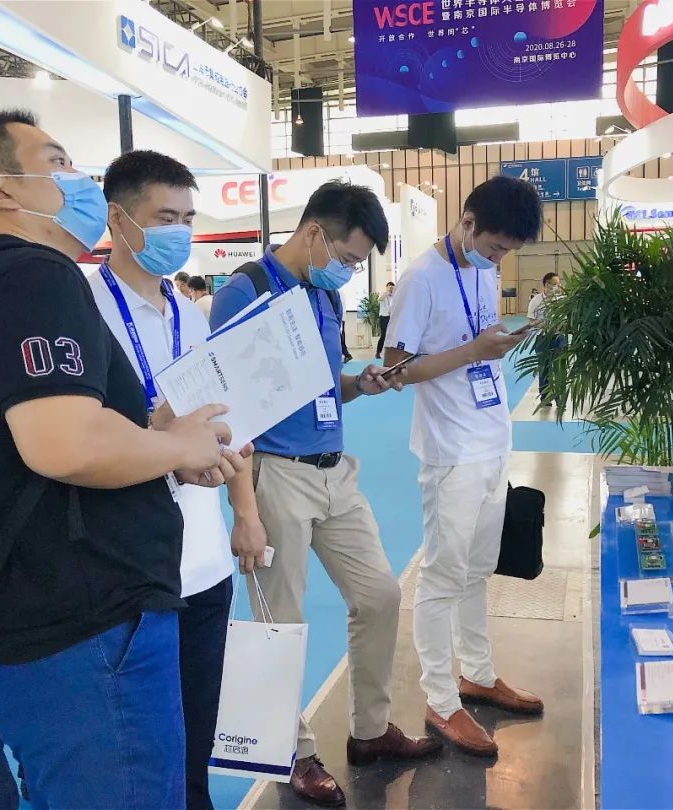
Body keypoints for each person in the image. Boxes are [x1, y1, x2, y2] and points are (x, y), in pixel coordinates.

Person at [0, 109, 247, 808]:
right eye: (56, 162)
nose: (75, 178)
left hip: (30, 617)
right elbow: (65, 443)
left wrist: (155, 440)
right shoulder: (33, 277)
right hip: (86, 627)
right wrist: (176, 446)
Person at [209, 181, 441, 807]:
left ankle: (370, 730)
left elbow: (318, 386)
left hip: (337, 471)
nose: (351, 271)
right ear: (314, 233)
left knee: (380, 594)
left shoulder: (323, 295)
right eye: (349, 257)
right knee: (279, 621)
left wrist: (359, 384)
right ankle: (292, 753)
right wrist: (245, 509)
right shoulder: (245, 293)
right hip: (276, 474)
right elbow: (230, 410)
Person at [90, 150, 254, 810]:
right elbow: (80, 441)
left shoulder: (190, 312)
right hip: (131, 570)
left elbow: (223, 418)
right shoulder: (82, 308)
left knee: (196, 734)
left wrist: (246, 510)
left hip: (205, 562)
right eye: (165, 218)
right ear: (118, 218)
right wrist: (159, 438)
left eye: (187, 219)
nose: (180, 233)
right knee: (136, 750)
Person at [384, 176, 545, 757]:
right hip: (451, 451)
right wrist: (474, 350)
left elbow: (475, 340)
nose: (498, 260)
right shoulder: (420, 279)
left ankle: (477, 674)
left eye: (507, 253)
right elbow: (395, 370)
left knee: (477, 571)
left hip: (491, 440)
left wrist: (497, 340)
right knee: (443, 578)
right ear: (468, 222)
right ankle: (440, 699)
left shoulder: (483, 269)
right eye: (496, 247)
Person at [528, 272, 564, 405]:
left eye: (558, 284)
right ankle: (545, 398)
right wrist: (544, 325)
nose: (557, 287)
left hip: (559, 338)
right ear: (546, 284)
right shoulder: (536, 301)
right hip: (542, 339)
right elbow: (531, 321)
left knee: (560, 369)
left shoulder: (562, 300)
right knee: (544, 369)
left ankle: (560, 399)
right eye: (554, 284)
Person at [374, 281, 395, 359]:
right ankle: (378, 352)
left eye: (392, 286)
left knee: (391, 336)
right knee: (383, 335)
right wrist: (387, 292)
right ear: (386, 287)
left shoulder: (394, 296)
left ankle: (390, 353)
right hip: (384, 317)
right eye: (389, 286)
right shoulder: (383, 294)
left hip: (391, 317)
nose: (391, 288)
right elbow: (379, 299)